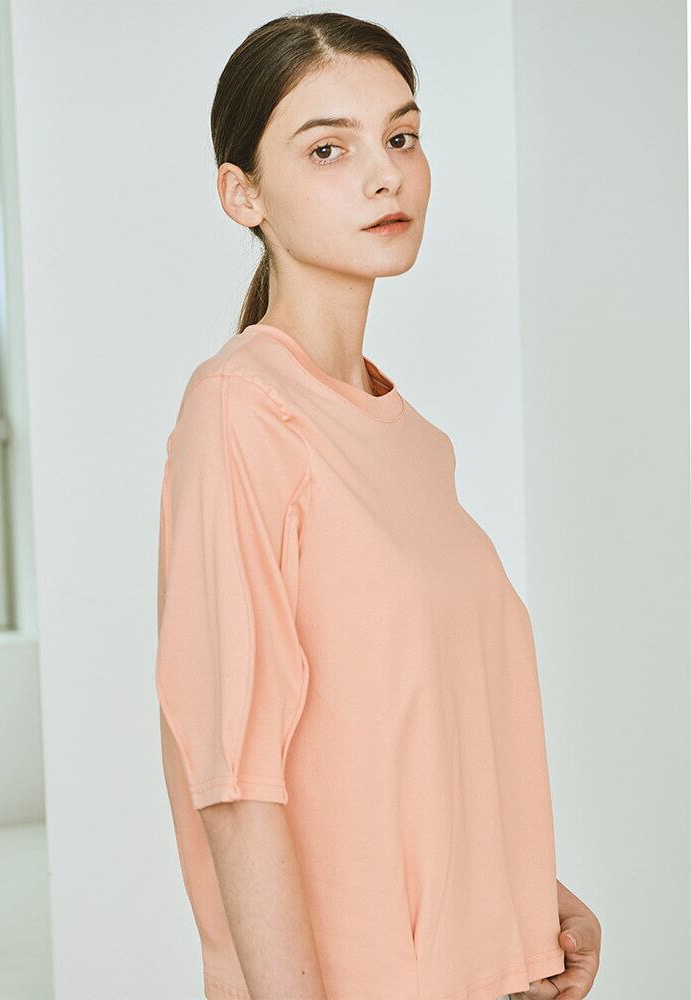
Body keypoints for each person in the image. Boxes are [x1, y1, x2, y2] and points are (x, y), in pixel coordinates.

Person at [155, 12, 601, 1000]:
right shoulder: (241, 411)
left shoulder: (413, 441)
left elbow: (409, 740)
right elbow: (235, 779)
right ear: (242, 193)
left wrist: (533, 898)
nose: (384, 175)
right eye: (329, 148)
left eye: (401, 137)